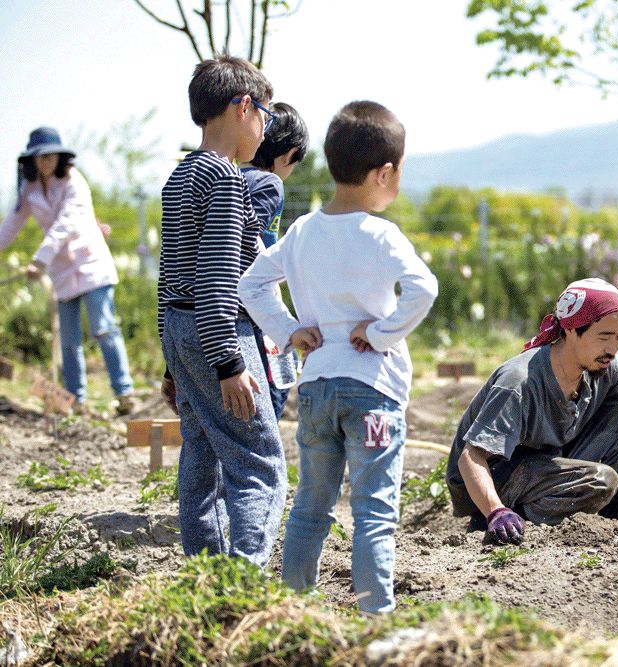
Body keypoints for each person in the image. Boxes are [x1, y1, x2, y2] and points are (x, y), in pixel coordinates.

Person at [239, 100, 438, 613]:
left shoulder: (303, 230)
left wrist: (288, 331)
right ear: (385, 173)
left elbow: (252, 284)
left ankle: (293, 611)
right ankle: (376, 616)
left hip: (316, 388)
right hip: (372, 392)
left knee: (310, 504)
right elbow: (424, 288)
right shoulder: (380, 233)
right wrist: (383, 333)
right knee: (373, 510)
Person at [158, 56, 286, 567]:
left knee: (202, 453)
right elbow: (216, 278)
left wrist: (173, 363)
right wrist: (229, 363)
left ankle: (205, 574)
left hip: (179, 328)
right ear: (243, 106)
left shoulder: (179, 175)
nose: (264, 130)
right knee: (259, 461)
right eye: (266, 116)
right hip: (218, 332)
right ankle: (242, 582)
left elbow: (169, 276)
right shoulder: (227, 178)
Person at [445, 278, 618, 545]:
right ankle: (512, 519)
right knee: (601, 480)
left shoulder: (606, 366)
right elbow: (472, 456)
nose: (612, 349)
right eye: (604, 336)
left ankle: (613, 521)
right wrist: (494, 511)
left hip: (549, 460)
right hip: (495, 478)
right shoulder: (520, 382)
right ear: (571, 330)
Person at [0, 127, 135, 415]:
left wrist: (39, 260)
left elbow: (65, 224)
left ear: (60, 157)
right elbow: (12, 224)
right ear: (31, 160)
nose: (46, 162)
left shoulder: (74, 182)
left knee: (103, 328)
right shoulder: (30, 188)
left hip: (90, 265)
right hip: (61, 271)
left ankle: (124, 394)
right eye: (40, 157)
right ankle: (76, 400)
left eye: (51, 156)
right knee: (69, 340)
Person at [240, 102, 310, 420]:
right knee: (273, 388)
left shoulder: (230, 175)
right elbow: (257, 250)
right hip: (254, 301)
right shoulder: (269, 184)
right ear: (288, 154)